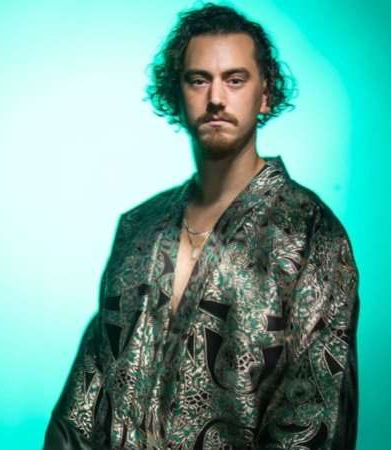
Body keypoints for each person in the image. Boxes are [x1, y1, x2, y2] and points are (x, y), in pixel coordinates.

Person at [43, 3, 359, 449]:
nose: (216, 98)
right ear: (178, 94)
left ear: (265, 95)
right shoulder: (139, 229)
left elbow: (313, 414)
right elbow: (85, 396)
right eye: (198, 80)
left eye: (235, 79)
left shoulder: (311, 234)